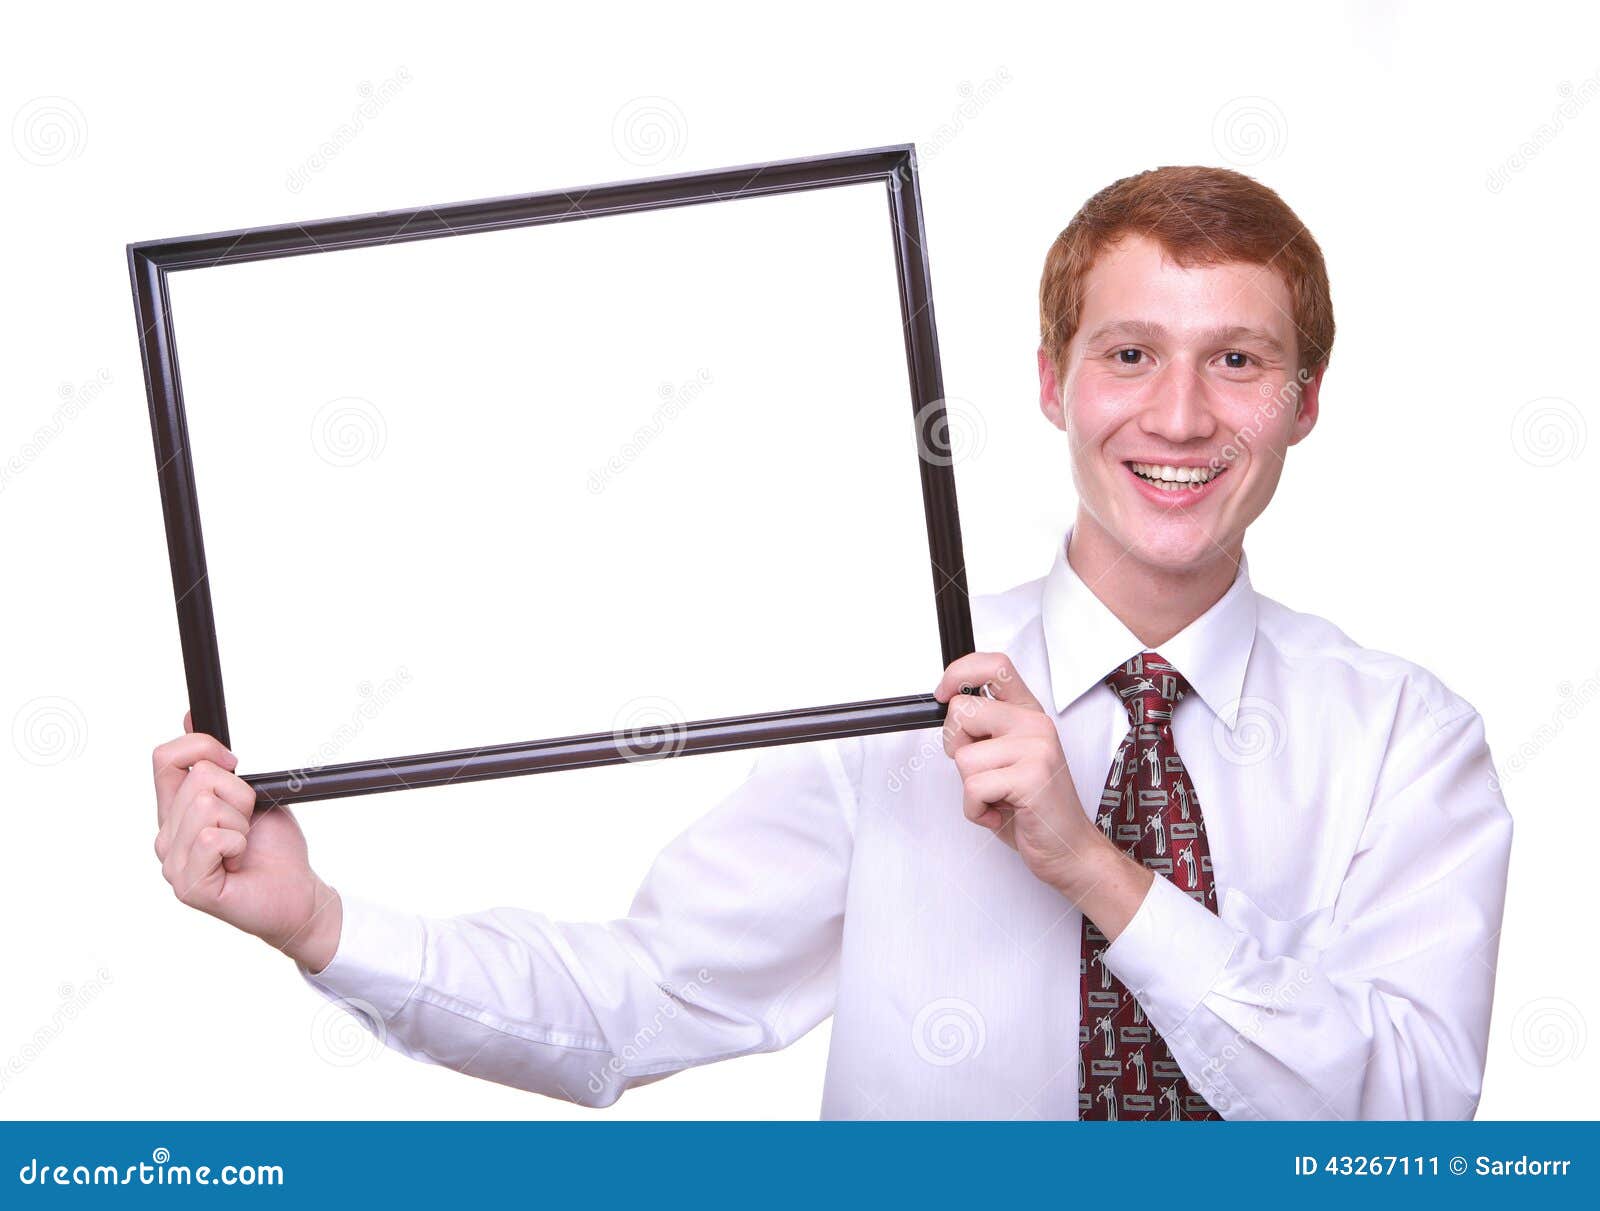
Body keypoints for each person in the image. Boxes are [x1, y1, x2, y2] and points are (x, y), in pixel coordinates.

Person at [151, 165, 1513, 1120]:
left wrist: (1091, 868)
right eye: (1129, 354)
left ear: (1305, 401)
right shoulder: (889, 700)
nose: (1178, 415)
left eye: (1236, 361)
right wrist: (323, 927)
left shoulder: (1407, 738)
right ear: (1052, 383)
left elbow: (1404, 1124)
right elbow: (639, 1001)